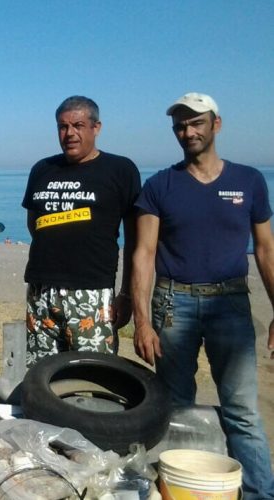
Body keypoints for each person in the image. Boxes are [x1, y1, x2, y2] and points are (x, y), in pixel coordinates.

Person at [132, 92, 274, 498]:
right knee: (175, 409)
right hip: (173, 305)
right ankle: (181, 490)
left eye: (196, 122)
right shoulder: (161, 185)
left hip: (230, 303)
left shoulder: (248, 181)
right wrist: (143, 321)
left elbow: (265, 248)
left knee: (242, 411)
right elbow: (142, 254)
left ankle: (259, 493)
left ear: (217, 124)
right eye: (180, 124)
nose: (188, 131)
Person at [21, 96, 140, 367]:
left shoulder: (120, 170)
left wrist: (127, 295)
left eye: (78, 125)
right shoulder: (42, 169)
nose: (70, 134)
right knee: (42, 377)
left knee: (94, 375)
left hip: (93, 293)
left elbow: (134, 240)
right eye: (63, 127)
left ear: (96, 127)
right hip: (41, 292)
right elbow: (34, 223)